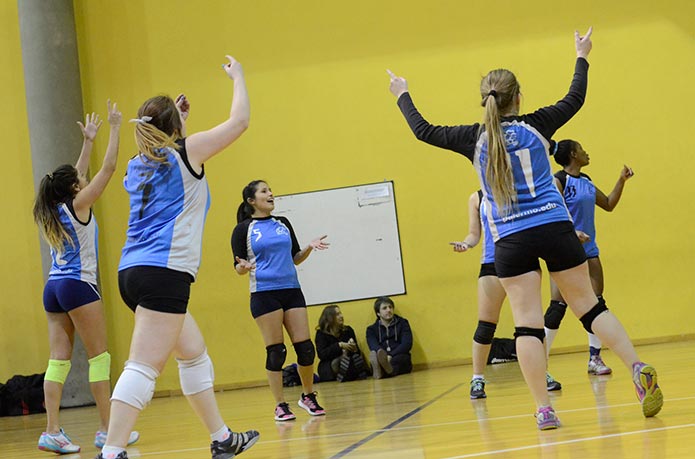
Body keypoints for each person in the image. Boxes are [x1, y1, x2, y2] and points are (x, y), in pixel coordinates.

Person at [387, 27, 662, 430]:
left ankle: (544, 409)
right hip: (555, 226)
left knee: (527, 324)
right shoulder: (538, 125)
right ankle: (637, 367)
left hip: (510, 240)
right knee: (590, 306)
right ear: (518, 97)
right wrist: (581, 54)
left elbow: (423, 130)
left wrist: (402, 93)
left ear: (485, 101)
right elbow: (576, 98)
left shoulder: (473, 138)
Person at [98, 56, 259, 459]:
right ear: (173, 129)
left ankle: (222, 439)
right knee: (142, 368)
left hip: (132, 273)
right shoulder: (187, 153)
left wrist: (179, 123)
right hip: (163, 273)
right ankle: (112, 451)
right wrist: (238, 77)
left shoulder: (135, 167)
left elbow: (170, 152)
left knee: (193, 353)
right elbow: (239, 122)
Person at [33, 102, 140, 454]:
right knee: (100, 358)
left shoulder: (55, 207)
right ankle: (108, 429)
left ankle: (51, 431)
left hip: (53, 288)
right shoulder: (79, 205)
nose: (84, 179)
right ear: (76, 190)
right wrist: (114, 128)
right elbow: (108, 170)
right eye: (81, 181)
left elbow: (75, 176)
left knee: (58, 361)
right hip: (79, 285)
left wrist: (88, 143)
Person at [232, 180, 329, 422]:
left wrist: (309, 247)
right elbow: (238, 265)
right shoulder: (244, 229)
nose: (271, 194)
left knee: (306, 349)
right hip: (264, 293)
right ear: (251, 201)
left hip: (292, 290)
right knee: (276, 352)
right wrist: (242, 268)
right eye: (264, 191)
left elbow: (295, 258)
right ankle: (280, 405)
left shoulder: (283, 223)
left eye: (270, 190)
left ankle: (308, 396)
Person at [544, 140, 635, 378]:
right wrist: (572, 233)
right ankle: (540, 363)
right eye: (582, 149)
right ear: (574, 154)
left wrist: (621, 180)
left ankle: (594, 358)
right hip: (564, 249)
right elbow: (553, 214)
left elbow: (608, 204)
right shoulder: (558, 181)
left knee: (597, 303)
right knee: (557, 308)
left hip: (589, 248)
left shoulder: (586, 181)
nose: (587, 152)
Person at [450, 190, 506, 399]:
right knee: (486, 325)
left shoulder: (517, 187)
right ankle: (477, 378)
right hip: (491, 263)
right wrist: (466, 244)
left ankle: (542, 373)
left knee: (530, 325)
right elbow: (474, 233)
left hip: (520, 260)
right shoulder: (476, 198)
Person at [315, 305, 369, 382]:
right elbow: (322, 354)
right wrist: (339, 345)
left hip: (349, 359)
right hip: (330, 365)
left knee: (354, 357)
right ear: (330, 318)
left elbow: (357, 352)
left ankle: (345, 374)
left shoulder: (348, 330)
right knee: (339, 361)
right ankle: (354, 372)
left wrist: (353, 347)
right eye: (337, 314)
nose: (341, 316)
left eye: (340, 313)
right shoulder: (321, 334)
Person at [366, 297, 413, 378]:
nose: (388, 310)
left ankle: (383, 371)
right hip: (381, 358)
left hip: (398, 356)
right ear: (378, 313)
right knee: (375, 357)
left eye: (390, 307)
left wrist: (390, 355)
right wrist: (383, 356)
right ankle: (383, 368)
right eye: (384, 308)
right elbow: (373, 345)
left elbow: (407, 343)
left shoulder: (403, 323)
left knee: (402, 359)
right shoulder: (371, 329)